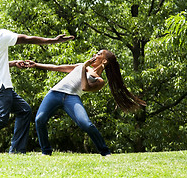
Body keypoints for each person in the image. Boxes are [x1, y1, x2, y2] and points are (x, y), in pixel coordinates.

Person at [0, 12, 74, 154]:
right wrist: (52, 40)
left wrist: (13, 63)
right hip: (0, 85)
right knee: (0, 118)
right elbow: (27, 39)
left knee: (24, 110)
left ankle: (17, 150)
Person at [18, 49, 146, 156]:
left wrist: (84, 67)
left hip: (72, 98)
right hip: (55, 93)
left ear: (104, 61)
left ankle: (105, 152)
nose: (95, 55)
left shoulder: (99, 81)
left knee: (87, 124)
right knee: (39, 119)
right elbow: (57, 68)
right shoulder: (81, 65)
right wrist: (36, 65)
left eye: (99, 54)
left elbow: (85, 87)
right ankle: (46, 152)